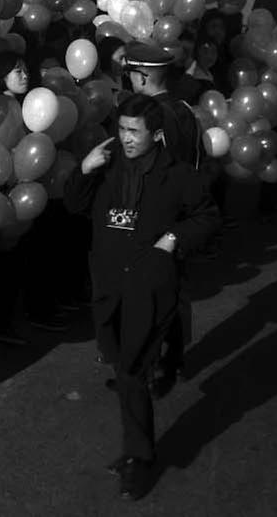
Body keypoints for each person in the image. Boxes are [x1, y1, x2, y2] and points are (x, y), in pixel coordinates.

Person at [63, 94, 219, 502]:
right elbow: (74, 205)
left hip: (150, 287)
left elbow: (207, 216)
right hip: (108, 285)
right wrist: (83, 169)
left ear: (157, 135)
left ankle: (140, 457)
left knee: (131, 369)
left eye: (134, 131)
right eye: (121, 129)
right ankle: (139, 441)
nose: (126, 138)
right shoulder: (107, 163)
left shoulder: (178, 174)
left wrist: (173, 239)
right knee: (118, 359)